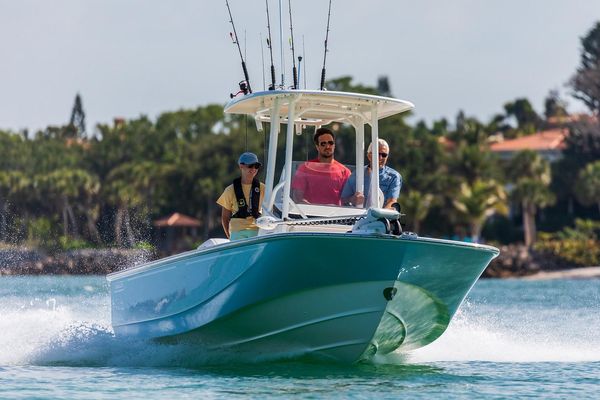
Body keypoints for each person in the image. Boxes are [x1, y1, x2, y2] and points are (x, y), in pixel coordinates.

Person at [291, 127, 351, 205]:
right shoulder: (304, 168)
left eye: (330, 143)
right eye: (323, 144)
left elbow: (347, 198)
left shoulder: (345, 172)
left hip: (336, 216)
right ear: (317, 147)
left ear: (334, 145)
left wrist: (355, 198)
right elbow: (297, 198)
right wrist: (315, 210)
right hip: (308, 215)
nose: (327, 146)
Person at [216, 152, 266, 240]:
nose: (254, 169)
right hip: (237, 232)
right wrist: (229, 236)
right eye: (250, 166)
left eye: (256, 166)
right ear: (241, 166)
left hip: (258, 231)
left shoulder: (263, 188)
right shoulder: (230, 190)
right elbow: (225, 217)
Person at [341, 139, 402, 209]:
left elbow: (392, 202)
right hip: (358, 217)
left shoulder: (394, 177)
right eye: (377, 154)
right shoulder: (357, 173)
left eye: (384, 155)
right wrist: (353, 199)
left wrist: (379, 216)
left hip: (382, 218)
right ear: (369, 155)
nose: (380, 158)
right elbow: (343, 199)